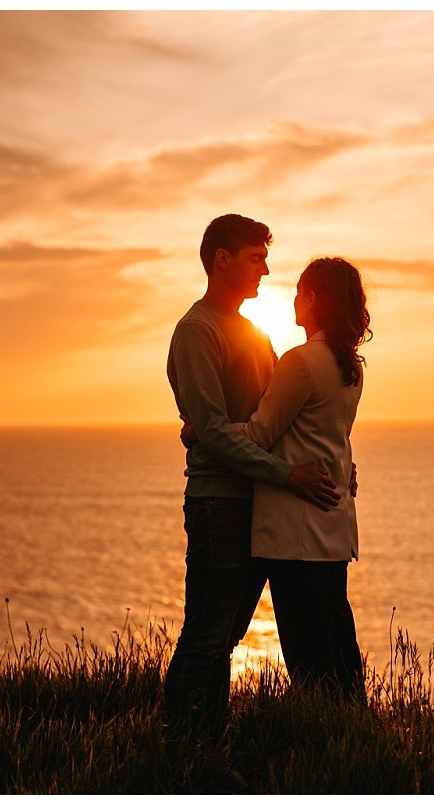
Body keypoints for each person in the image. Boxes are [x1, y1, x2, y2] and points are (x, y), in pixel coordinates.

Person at [163, 214, 340, 734]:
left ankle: (205, 746)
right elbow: (215, 431)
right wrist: (287, 474)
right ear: (222, 259)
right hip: (220, 501)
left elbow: (274, 419)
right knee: (207, 635)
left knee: (226, 635)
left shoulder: (254, 333)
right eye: (255, 258)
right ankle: (180, 752)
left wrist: (334, 464)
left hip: (259, 503)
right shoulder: (196, 331)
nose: (265, 269)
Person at [187, 257, 371, 702]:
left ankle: (322, 749)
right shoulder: (350, 366)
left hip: (296, 534)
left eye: (298, 291)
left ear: (312, 299)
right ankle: (353, 739)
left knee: (309, 662)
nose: (291, 298)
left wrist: (202, 432)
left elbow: (260, 434)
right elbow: (327, 439)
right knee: (337, 654)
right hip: (332, 530)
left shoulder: (301, 362)